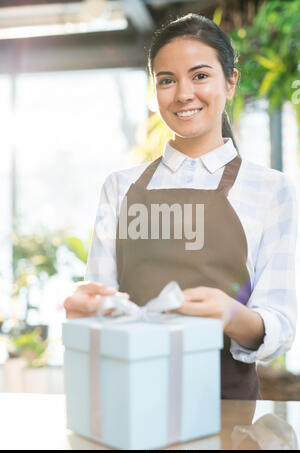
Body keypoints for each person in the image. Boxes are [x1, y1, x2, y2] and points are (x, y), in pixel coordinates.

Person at [64, 14, 298, 400]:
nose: (183, 93)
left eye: (200, 75)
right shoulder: (119, 188)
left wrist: (230, 314)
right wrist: (88, 309)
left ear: (231, 81)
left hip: (225, 409)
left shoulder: (270, 190)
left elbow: (280, 326)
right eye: (166, 80)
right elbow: (103, 306)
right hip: (132, 400)